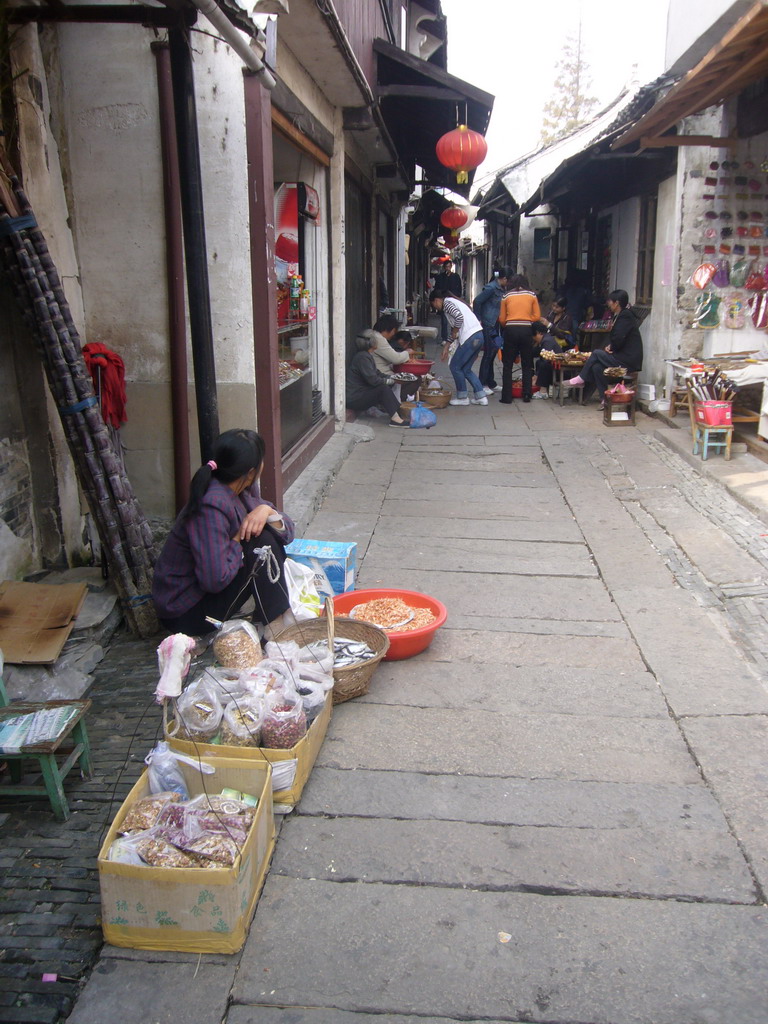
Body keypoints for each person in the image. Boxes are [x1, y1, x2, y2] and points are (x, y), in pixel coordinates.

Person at [152, 429, 295, 637]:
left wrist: (267, 512)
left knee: (265, 535)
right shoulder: (211, 505)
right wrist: (237, 541)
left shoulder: (244, 489)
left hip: (208, 597)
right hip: (187, 614)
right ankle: (275, 626)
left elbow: (287, 535)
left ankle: (274, 619)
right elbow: (214, 579)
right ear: (252, 471)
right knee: (261, 544)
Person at [566, 289, 643, 407]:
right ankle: (604, 399)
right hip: (621, 356)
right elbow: (618, 337)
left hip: (627, 360)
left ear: (616, 303)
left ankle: (581, 377)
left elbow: (619, 338)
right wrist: (610, 346)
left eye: (610, 301)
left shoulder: (625, 316)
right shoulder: (619, 316)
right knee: (597, 367)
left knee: (596, 353)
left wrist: (612, 347)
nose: (608, 304)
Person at [430, 288, 487, 406]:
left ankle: (462, 397)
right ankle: (481, 396)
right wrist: (447, 346)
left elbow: (459, 319)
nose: (435, 308)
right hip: (479, 336)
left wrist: (455, 332)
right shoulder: (453, 303)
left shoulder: (447, 303)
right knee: (465, 369)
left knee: (455, 366)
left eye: (434, 305)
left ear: (436, 300)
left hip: (469, 337)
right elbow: (454, 331)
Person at [346, 332, 410, 426]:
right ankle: (395, 419)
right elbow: (373, 380)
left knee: (384, 387)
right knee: (382, 389)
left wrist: (394, 377)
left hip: (359, 394)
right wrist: (393, 380)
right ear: (372, 344)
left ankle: (397, 414)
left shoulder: (366, 356)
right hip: (354, 398)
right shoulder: (362, 358)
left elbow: (378, 373)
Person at [498, 274, 541, 403]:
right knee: (527, 363)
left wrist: (510, 323)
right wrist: (526, 320)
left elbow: (501, 319)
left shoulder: (506, 296)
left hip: (510, 330)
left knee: (508, 364)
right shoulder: (532, 295)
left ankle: (506, 397)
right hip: (526, 330)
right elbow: (537, 316)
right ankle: (527, 394)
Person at [473, 268, 509, 394]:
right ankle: (482, 384)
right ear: (503, 279)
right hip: (488, 324)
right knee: (488, 354)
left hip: (494, 324)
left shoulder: (500, 289)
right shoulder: (491, 288)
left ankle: (491, 382)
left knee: (493, 353)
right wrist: (478, 320)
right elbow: (477, 301)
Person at [434, 261, 463, 342]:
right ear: (444, 267)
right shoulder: (441, 277)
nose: (448, 268)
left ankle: (453, 336)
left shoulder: (456, 276)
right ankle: (444, 338)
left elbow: (459, 288)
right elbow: (437, 288)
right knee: (444, 320)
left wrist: (457, 296)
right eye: (446, 267)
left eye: (449, 266)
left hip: (454, 299)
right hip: (444, 300)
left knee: (454, 319)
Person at [531, 321, 560, 398]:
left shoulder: (547, 341)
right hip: (554, 366)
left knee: (543, 364)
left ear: (538, 333)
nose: (534, 339)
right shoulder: (546, 338)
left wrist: (536, 376)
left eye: (534, 336)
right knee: (538, 362)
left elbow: (546, 359)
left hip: (558, 368)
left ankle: (543, 391)